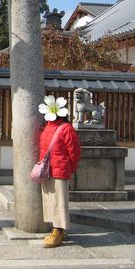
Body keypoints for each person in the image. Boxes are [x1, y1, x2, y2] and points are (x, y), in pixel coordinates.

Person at [37, 95, 81, 248]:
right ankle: (55, 229)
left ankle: (59, 231)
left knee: (59, 202)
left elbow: (74, 151)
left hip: (60, 170)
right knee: (50, 200)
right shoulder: (47, 126)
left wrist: (70, 167)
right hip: (48, 169)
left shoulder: (66, 128)